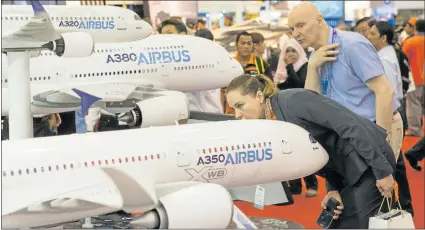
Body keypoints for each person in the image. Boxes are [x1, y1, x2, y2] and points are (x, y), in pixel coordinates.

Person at [225, 74, 396, 228]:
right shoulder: (271, 122)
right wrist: (332, 189)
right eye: (233, 108)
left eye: (240, 105)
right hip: (347, 171)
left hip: (369, 161)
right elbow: (320, 152)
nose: (237, 114)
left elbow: (350, 126)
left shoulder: (294, 100)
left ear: (259, 97)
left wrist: (382, 172)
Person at [288, 2, 402, 158]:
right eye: (292, 29)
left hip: (375, 126)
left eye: (300, 25)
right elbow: (312, 101)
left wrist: (380, 141)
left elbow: (384, 91)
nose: (296, 34)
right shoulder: (315, 55)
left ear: (319, 21)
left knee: (377, 182)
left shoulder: (352, 44)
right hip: (347, 132)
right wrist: (312, 67)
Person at [367, 20, 414, 215]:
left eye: (371, 33)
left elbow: (386, 93)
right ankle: (403, 207)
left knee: (390, 164)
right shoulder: (388, 54)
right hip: (394, 112)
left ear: (383, 38)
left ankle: (398, 208)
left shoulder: (384, 59)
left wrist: (383, 125)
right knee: (395, 162)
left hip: (390, 114)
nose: (367, 37)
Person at [222, 31, 273, 115]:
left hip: (255, 113)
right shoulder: (229, 64)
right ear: (236, 44)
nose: (246, 46)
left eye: (249, 43)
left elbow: (270, 87)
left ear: (253, 45)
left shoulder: (261, 64)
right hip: (232, 113)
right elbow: (222, 91)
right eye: (242, 43)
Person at [402, 19, 424, 137]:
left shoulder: (410, 42)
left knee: (414, 103)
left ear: (415, 28)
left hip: (416, 78)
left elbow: (404, 60)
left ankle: (415, 129)